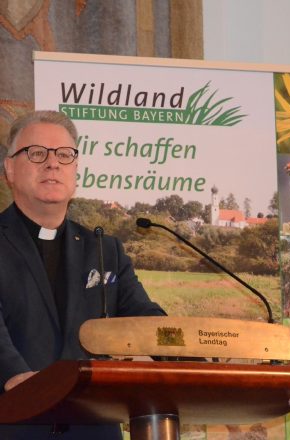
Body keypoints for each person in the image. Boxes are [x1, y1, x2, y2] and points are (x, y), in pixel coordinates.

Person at [0, 110, 166, 439]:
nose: (53, 164)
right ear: (9, 169)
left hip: (93, 428)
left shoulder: (104, 249)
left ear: (76, 170)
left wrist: (187, 346)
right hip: (13, 421)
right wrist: (15, 376)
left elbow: (143, 318)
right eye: (36, 153)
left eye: (64, 155)